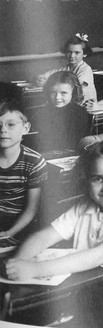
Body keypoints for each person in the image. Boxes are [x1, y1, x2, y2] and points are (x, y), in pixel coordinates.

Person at [6, 139, 103, 327]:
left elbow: (96, 257)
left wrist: (35, 269)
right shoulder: (85, 207)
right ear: (86, 180)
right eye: (98, 178)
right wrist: (19, 263)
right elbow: (44, 236)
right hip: (88, 292)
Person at [0, 102, 46, 239]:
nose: (3, 130)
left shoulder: (34, 162)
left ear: (25, 128)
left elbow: (32, 209)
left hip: (16, 223)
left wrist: (10, 233)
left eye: (11, 125)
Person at [29, 71, 91, 153]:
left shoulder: (80, 113)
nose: (57, 98)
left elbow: (74, 143)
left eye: (63, 93)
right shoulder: (44, 110)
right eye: (53, 92)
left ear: (74, 93)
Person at [36, 33, 97, 104]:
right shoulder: (66, 68)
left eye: (76, 53)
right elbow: (49, 74)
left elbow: (77, 89)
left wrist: (47, 83)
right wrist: (41, 78)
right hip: (70, 103)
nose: (72, 55)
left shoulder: (85, 70)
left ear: (84, 54)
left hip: (85, 104)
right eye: (69, 52)